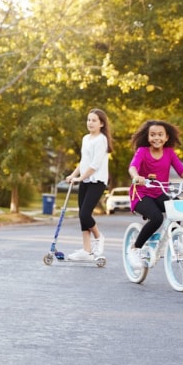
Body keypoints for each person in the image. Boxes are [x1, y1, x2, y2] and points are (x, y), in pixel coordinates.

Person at [126, 120, 183, 269]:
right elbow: (133, 166)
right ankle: (135, 248)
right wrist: (136, 177)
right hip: (141, 194)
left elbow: (181, 171)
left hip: (158, 192)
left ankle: (174, 241)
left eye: (160, 135)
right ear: (148, 137)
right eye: (153, 135)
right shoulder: (142, 151)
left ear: (167, 137)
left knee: (177, 205)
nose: (156, 138)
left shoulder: (169, 153)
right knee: (157, 218)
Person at [65, 108, 113, 261]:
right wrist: (73, 175)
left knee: (85, 213)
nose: (90, 123)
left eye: (94, 120)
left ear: (101, 124)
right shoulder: (86, 138)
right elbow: (84, 162)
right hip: (85, 180)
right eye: (88, 120)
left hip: (97, 181)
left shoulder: (102, 140)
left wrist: (81, 178)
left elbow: (95, 164)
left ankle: (99, 237)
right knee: (82, 216)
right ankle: (86, 251)